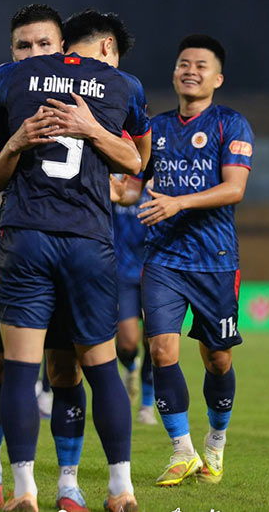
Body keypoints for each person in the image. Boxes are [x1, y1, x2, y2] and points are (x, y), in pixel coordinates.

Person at [0, 9, 150, 512]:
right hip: (74, 243)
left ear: (62, 47)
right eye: (23, 46)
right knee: (8, 364)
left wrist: (93, 135)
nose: (33, 54)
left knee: (53, 369)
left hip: (33, 239)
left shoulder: (14, 83)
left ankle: (53, 486)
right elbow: (137, 161)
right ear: (12, 50)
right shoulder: (113, 87)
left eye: (43, 44)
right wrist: (18, 138)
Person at [138, 34, 253, 487]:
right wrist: (116, 190)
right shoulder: (156, 128)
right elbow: (135, 183)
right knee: (160, 351)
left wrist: (179, 202)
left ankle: (215, 443)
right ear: (174, 73)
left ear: (217, 78)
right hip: (163, 258)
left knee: (217, 359)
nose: (190, 70)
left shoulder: (231, 124)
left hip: (215, 260)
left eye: (201, 65)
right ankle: (182, 451)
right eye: (184, 63)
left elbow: (235, 188)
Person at [111, 175, 157, 424]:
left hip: (154, 271)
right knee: (127, 343)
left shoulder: (157, 183)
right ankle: (130, 366)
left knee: (154, 340)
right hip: (123, 272)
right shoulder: (115, 179)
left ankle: (147, 405)